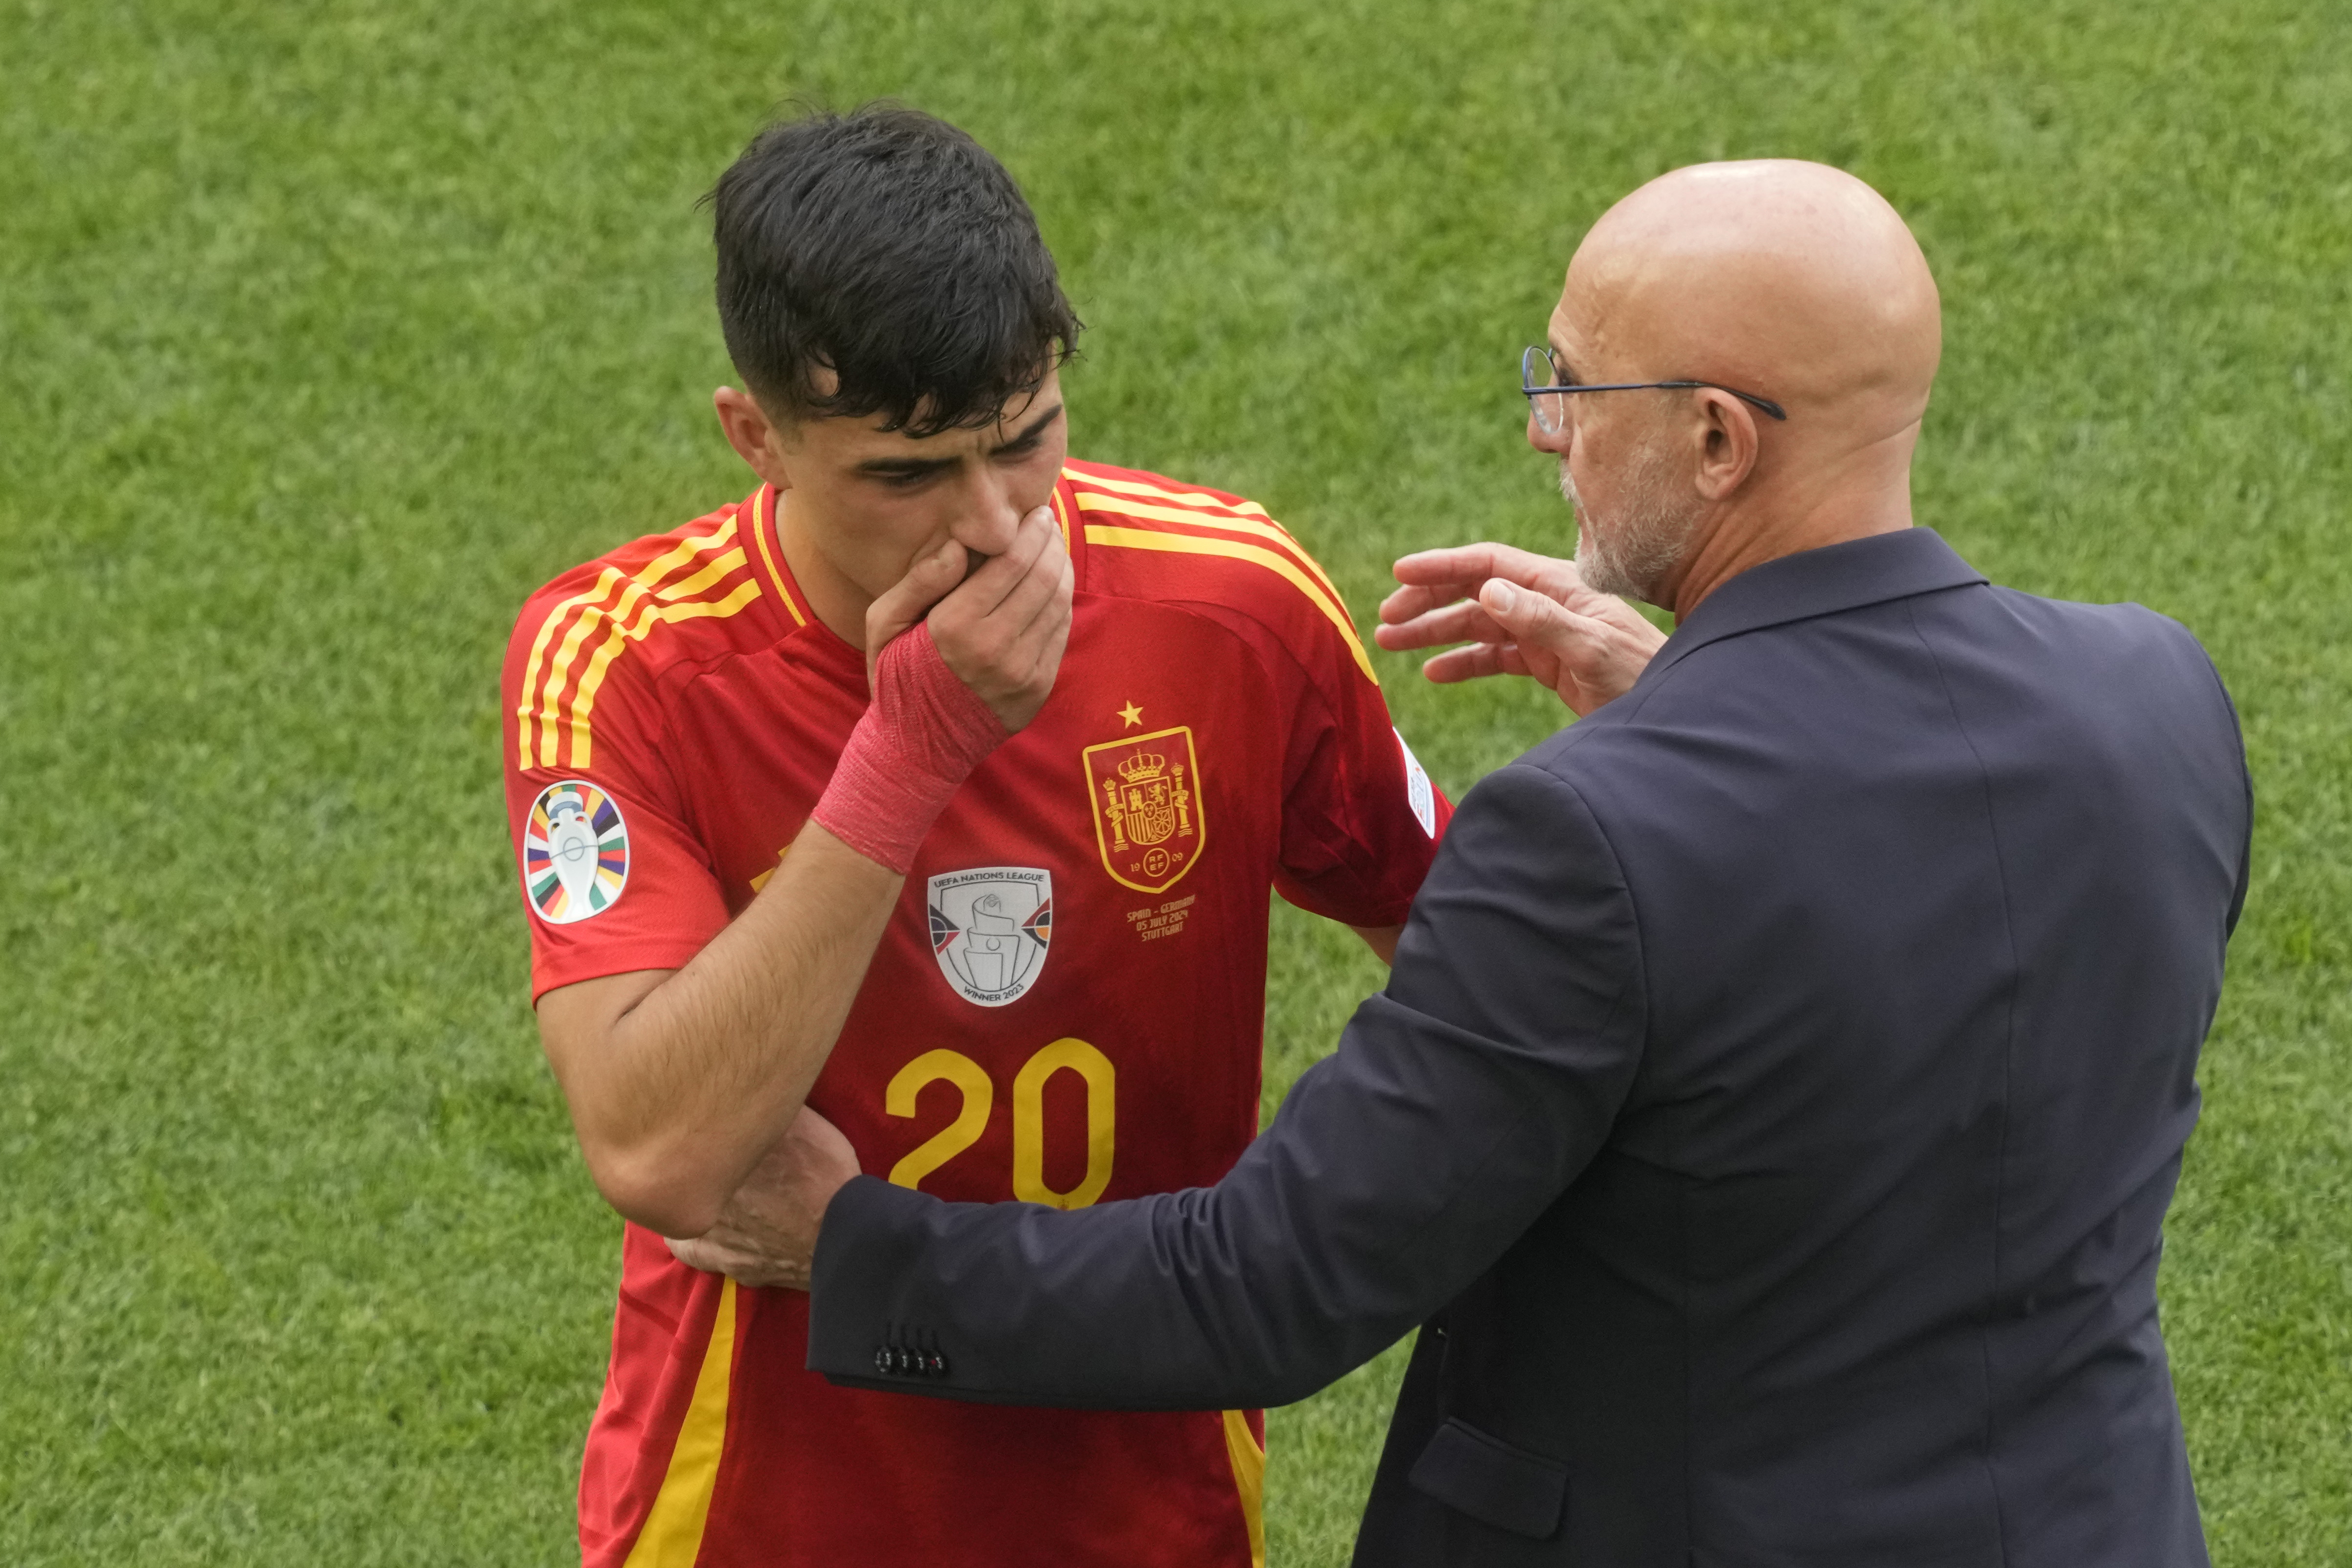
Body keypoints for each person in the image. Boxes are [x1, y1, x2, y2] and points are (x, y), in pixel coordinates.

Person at [762, 160, 2253, 1566]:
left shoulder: (1592, 838)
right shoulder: (2158, 699)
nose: (1548, 430)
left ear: (1718, 441)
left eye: (1574, 388)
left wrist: (856, 1250)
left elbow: (1276, 1285)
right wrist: (1694, 707)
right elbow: (1893, 976)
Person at [500, 105, 1452, 1568]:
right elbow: (658, 1144)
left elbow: (1482, 980)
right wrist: (914, 751)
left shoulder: (1234, 607)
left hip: (1153, 1513)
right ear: (755, 436)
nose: (1002, 525)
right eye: (907, 475)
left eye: (1028, 441)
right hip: (754, 1519)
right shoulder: (624, 662)